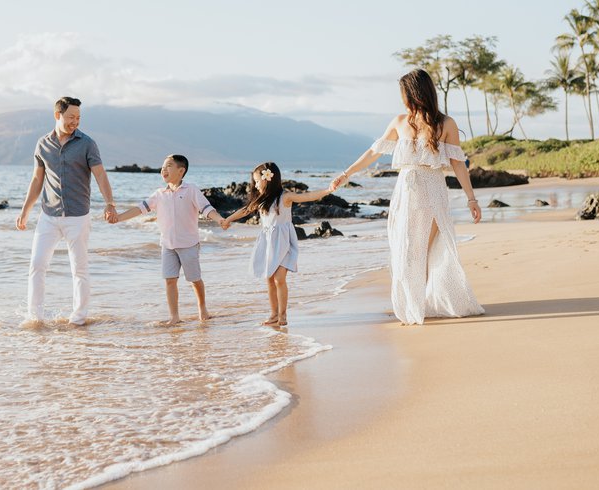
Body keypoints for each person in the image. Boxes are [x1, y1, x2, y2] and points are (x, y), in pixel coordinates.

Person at [331, 69, 484, 325]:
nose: (403, 99)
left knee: (420, 249)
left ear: (415, 93)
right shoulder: (399, 121)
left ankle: (416, 305)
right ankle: (412, 303)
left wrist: (471, 198)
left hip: (432, 190)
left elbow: (458, 164)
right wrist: (346, 174)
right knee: (403, 247)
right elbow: (373, 152)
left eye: (404, 93)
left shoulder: (446, 124)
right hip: (405, 192)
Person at [16, 96, 117, 328]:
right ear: (57, 115)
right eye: (71, 117)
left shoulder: (87, 143)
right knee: (37, 265)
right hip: (48, 216)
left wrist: (110, 203)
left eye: (78, 117)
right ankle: (35, 317)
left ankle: (78, 319)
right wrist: (25, 211)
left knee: (79, 269)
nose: (75, 121)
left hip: (78, 216)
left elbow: (100, 175)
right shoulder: (42, 144)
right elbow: (36, 179)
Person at [113, 154, 228, 325]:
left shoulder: (191, 190)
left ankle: (202, 308)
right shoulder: (159, 194)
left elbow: (206, 208)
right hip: (167, 245)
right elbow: (139, 209)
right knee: (170, 280)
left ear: (181, 171)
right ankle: (174, 316)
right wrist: (119, 217)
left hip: (189, 243)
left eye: (169, 166)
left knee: (194, 280)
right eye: (163, 166)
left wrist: (219, 219)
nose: (163, 169)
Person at [224, 162, 334, 327]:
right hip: (268, 243)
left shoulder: (285, 197)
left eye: (257, 181)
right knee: (269, 279)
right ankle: (274, 314)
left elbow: (308, 196)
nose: (255, 185)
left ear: (268, 179)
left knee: (279, 279)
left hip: (283, 243)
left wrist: (328, 190)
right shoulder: (261, 200)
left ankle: (283, 315)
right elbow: (245, 210)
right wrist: (228, 220)